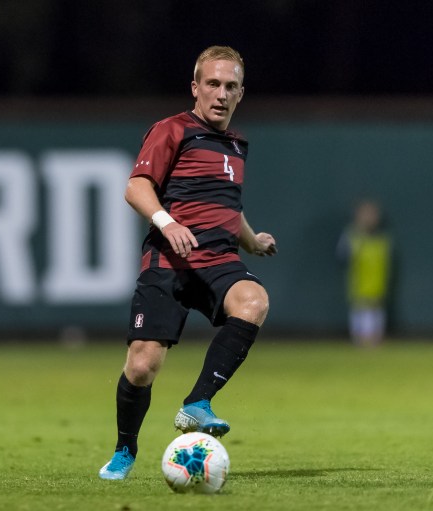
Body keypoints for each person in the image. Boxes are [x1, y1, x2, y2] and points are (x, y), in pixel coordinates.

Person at [98, 45, 277, 480]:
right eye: (212, 84)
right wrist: (167, 221)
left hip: (218, 259)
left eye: (230, 86)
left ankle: (197, 403)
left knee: (253, 301)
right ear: (195, 87)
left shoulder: (237, 144)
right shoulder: (172, 129)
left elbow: (226, 206)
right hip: (169, 260)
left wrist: (251, 240)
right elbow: (136, 186)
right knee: (142, 366)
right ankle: (125, 449)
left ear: (240, 94)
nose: (221, 93)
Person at [336, 199, 392, 347]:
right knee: (361, 315)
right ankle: (360, 342)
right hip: (359, 287)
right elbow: (342, 258)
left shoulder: (383, 238)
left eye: (372, 214)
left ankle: (375, 342)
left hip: (378, 287)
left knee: (376, 315)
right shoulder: (351, 237)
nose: (369, 218)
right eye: (366, 214)